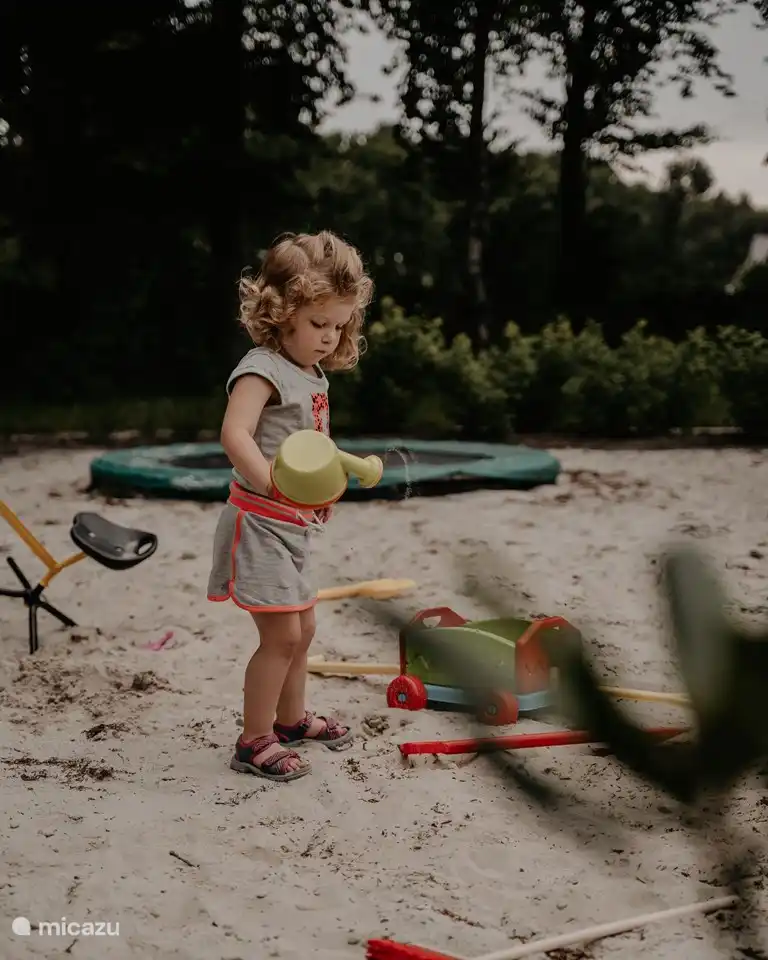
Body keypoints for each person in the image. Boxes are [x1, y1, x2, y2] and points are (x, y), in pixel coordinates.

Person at [207, 230, 373, 782]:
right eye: (317, 324)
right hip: (258, 522)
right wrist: (274, 488)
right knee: (279, 636)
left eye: (339, 324)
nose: (329, 337)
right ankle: (254, 741)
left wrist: (322, 495)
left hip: (295, 524)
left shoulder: (313, 373)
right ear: (281, 313)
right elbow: (236, 435)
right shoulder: (262, 368)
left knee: (303, 631)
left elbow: (312, 449)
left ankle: (291, 721)